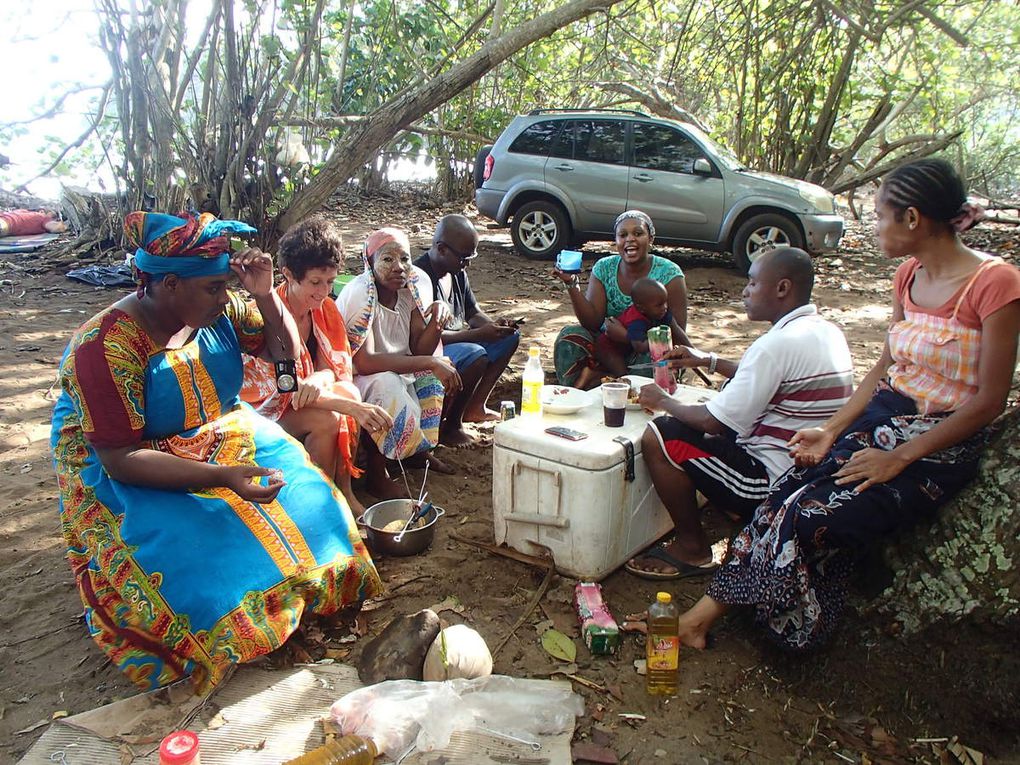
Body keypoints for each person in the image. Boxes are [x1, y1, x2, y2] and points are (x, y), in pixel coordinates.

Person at [674, 158, 1020, 651]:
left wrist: (897, 458)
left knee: (814, 516)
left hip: (938, 445)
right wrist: (832, 430)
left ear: (913, 219)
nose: (875, 227)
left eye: (880, 216)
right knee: (783, 495)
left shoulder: (996, 284)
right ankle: (701, 619)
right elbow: (884, 368)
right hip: (881, 422)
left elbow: (989, 401)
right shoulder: (907, 276)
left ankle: (789, 626)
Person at [50, 211, 381, 693]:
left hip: (219, 428)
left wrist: (266, 295)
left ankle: (295, 603)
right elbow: (119, 457)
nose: (224, 297)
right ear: (166, 285)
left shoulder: (218, 311)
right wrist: (222, 477)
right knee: (200, 572)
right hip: (130, 461)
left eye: (226, 286)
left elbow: (284, 355)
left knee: (318, 504)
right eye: (212, 287)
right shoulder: (104, 348)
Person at [626, 247, 854, 579]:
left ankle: (693, 549)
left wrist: (663, 400)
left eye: (751, 283)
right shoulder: (825, 331)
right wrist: (707, 360)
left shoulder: (776, 346)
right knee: (721, 404)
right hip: (810, 469)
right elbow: (762, 376)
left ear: (782, 288)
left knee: (662, 435)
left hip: (773, 482)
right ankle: (729, 513)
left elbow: (712, 421)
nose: (744, 291)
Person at [241, 216, 393, 515]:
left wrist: (321, 381)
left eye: (329, 281)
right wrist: (354, 409)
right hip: (265, 408)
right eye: (315, 282)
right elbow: (284, 391)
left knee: (346, 391)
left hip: (302, 400)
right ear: (287, 275)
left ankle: (343, 491)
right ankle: (316, 504)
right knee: (331, 416)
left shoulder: (325, 310)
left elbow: (333, 367)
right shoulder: (262, 317)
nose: (324, 292)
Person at [336, 227, 461, 498]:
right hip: (362, 377)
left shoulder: (412, 288)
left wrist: (438, 321)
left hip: (399, 367)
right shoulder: (361, 294)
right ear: (369, 263)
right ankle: (376, 474)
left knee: (437, 374)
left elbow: (419, 347)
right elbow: (365, 362)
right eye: (387, 259)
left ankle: (417, 451)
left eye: (404, 259)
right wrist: (426, 360)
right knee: (386, 386)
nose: (398, 267)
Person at [413, 214, 520, 445]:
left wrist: (494, 326)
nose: (468, 264)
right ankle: (450, 425)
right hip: (430, 353)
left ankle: (475, 407)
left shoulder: (457, 273)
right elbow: (426, 340)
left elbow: (473, 313)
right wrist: (480, 334)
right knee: (475, 354)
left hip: (460, 343)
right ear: (441, 249)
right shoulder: (419, 278)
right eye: (464, 257)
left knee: (509, 339)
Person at [553, 210, 689, 390]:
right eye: (622, 235)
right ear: (616, 241)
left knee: (658, 356)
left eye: (638, 233)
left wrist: (626, 337)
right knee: (569, 338)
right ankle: (582, 392)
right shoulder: (604, 268)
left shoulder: (669, 274)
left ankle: (611, 382)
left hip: (646, 351)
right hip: (607, 350)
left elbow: (674, 336)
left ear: (650, 239)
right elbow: (592, 322)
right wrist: (571, 284)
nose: (630, 239)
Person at [596, 277, 685, 377]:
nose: (664, 307)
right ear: (641, 308)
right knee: (623, 375)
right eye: (659, 305)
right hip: (609, 347)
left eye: (665, 302)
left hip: (628, 346)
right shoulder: (636, 321)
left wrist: (692, 350)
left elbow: (676, 328)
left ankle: (591, 374)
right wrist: (658, 339)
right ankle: (593, 375)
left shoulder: (661, 312)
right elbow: (639, 347)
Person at [0, 208, 67, 236]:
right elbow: (57, 228)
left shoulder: (22, 211)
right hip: (5, 224)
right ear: (42, 211)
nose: (53, 219)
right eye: (53, 216)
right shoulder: (44, 217)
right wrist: (63, 225)